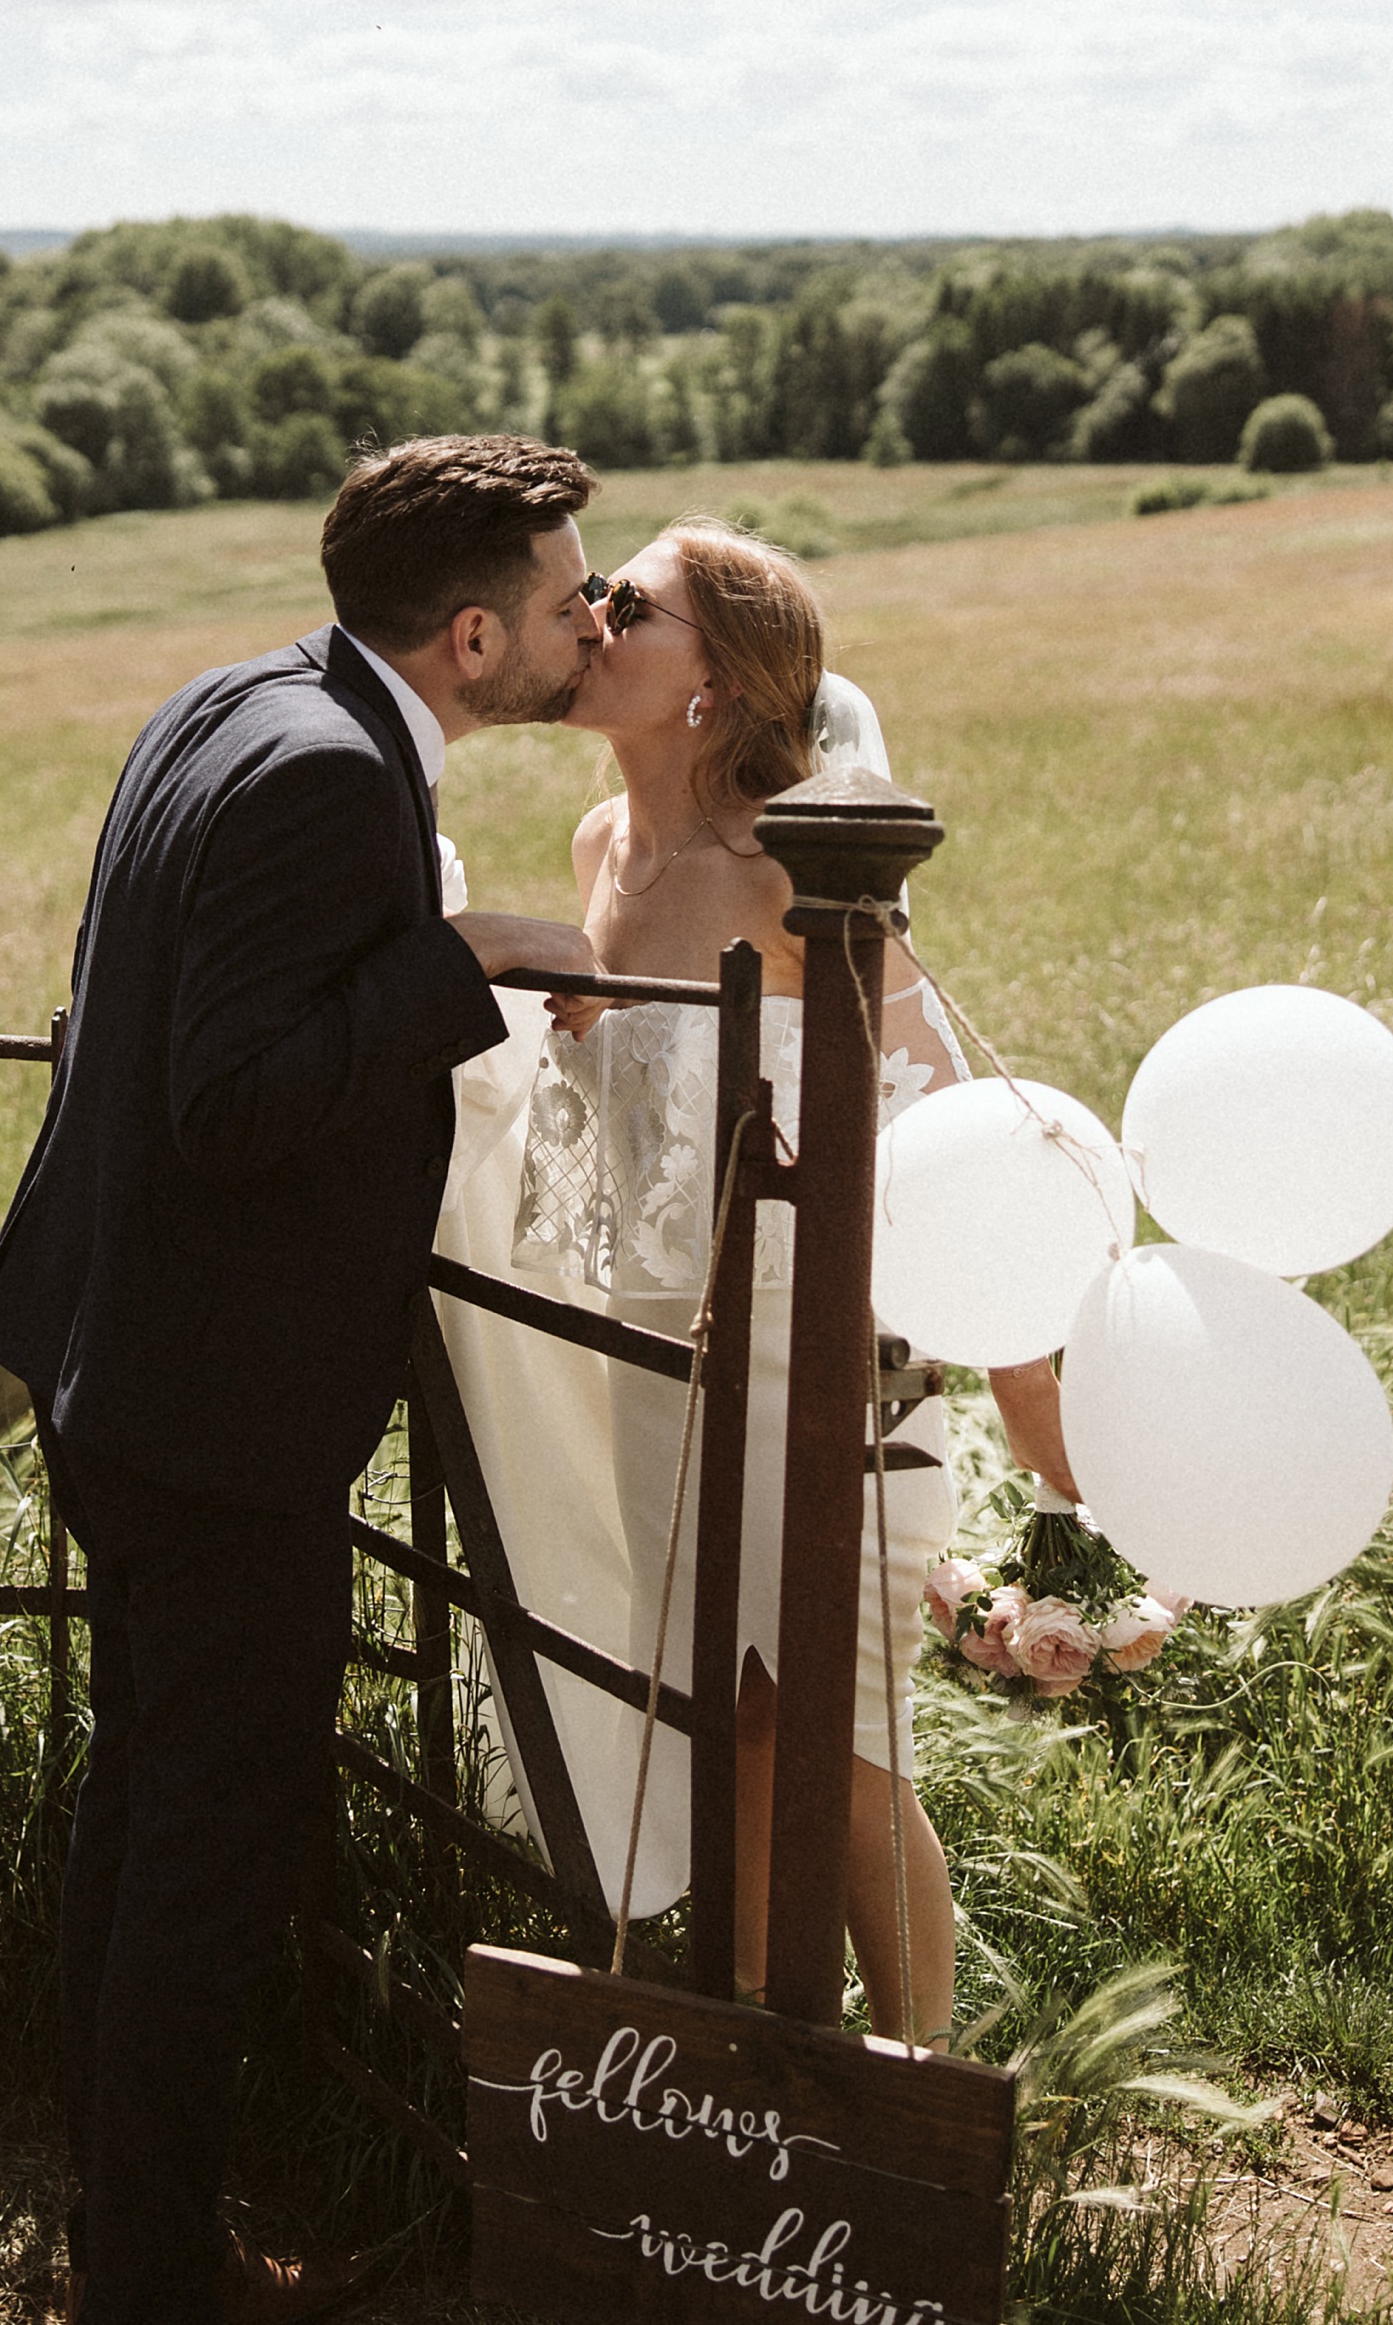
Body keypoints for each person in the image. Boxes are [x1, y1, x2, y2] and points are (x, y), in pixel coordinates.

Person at [0, 436, 605, 2325]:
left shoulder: (240, 695)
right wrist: (461, 956)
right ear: (476, 636)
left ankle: (129, 2224)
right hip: (214, 1408)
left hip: (125, 1361)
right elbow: (228, 1101)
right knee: (209, 1858)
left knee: (146, 1812)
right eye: (571, 600)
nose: (592, 619)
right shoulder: (332, 778)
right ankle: (159, 2277)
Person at [437, 518, 1074, 2048]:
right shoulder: (602, 849)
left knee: (843, 1745)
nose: (587, 616)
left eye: (628, 601)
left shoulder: (802, 866)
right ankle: (743, 2070)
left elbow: (929, 1127)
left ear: (713, 678)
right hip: (656, 1361)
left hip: (824, 1357)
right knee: (723, 1724)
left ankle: (919, 2091)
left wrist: (1046, 1441)